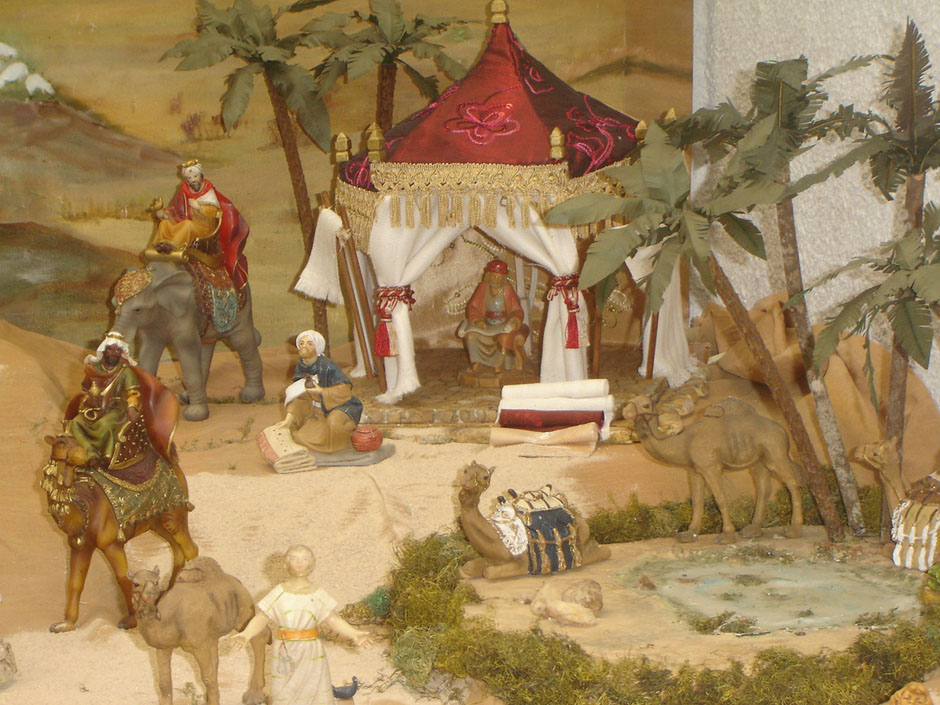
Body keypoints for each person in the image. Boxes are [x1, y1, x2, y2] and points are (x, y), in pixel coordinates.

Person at [233, 544, 372, 705]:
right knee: (284, 690)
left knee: (313, 688)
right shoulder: (279, 593)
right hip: (285, 650)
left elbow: (332, 619)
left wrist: (355, 633)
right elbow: (262, 617)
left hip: (310, 651)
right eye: (294, 558)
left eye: (304, 558)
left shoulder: (317, 594)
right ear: (285, 564)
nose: (299, 563)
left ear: (312, 564)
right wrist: (246, 634)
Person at [66, 331, 179, 470]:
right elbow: (86, 391)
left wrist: (131, 407)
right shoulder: (93, 370)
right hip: (95, 408)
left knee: (104, 425)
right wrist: (89, 401)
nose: (114, 353)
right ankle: (91, 453)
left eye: (117, 351)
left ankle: (106, 456)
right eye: (111, 349)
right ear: (104, 350)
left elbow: (132, 392)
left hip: (117, 408)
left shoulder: (125, 372)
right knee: (76, 423)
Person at [151, 159, 250, 289]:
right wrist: (161, 212)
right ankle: (160, 246)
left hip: (204, 228)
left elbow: (215, 212)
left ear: (201, 176)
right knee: (165, 223)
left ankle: (173, 246)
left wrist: (199, 207)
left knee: (187, 225)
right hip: (186, 222)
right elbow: (176, 210)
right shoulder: (183, 191)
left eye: (195, 176)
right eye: (190, 178)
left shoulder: (208, 191)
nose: (193, 180)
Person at [281, 330, 363, 454]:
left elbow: (345, 388)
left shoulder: (327, 365)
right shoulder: (301, 366)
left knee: (333, 422)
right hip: (318, 411)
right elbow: (299, 396)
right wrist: (288, 419)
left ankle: (340, 448)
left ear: (317, 347)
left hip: (340, 405)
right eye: (301, 343)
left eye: (309, 344)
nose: (304, 347)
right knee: (300, 437)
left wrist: (322, 391)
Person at [457, 258, 529, 373]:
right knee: (471, 336)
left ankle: (500, 365)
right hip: (486, 324)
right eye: (494, 276)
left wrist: (514, 320)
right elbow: (472, 307)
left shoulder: (507, 290)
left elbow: (517, 310)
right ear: (489, 276)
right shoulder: (482, 288)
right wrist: (477, 320)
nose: (497, 280)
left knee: (504, 338)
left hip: (503, 324)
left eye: (500, 277)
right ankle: (477, 362)